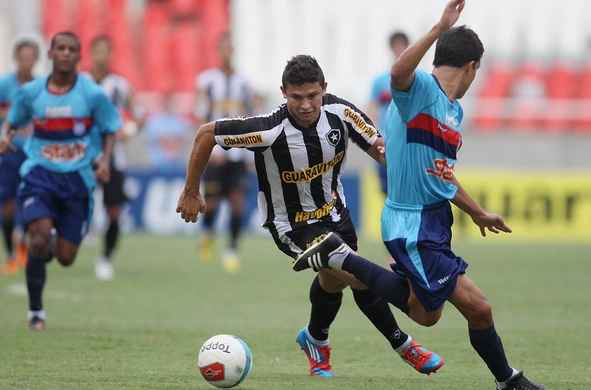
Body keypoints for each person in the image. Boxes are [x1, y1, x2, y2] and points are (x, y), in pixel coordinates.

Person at [292, 1, 547, 389]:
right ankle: (341, 256)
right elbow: (398, 73)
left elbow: (441, 175)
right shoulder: (422, 90)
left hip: (431, 221)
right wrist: (438, 28)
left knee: (452, 311)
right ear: (472, 66)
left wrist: (477, 212)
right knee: (448, 313)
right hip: (413, 223)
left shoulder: (450, 110)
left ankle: (507, 380)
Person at [177, 54, 443, 377]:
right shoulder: (268, 130)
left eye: (312, 96)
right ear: (283, 92)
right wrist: (192, 190)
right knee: (357, 274)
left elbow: (380, 149)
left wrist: (417, 174)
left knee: (334, 282)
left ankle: (315, 338)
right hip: (292, 226)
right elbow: (207, 133)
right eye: (297, 97)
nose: (305, 105)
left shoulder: (341, 113)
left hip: (336, 213)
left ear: (324, 89)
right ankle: (404, 345)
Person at [0, 31, 121, 331]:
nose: (66, 53)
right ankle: (35, 312)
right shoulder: (31, 92)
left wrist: (104, 160)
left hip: (77, 180)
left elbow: (110, 128)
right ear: (50, 53)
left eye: (71, 49)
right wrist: (5, 137)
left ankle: (52, 241)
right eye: (60, 48)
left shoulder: (93, 94)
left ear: (79, 57)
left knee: (65, 257)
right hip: (39, 175)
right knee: (37, 240)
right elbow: (12, 120)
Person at [193, 32, 257, 273]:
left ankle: (231, 249)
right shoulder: (206, 81)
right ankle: (208, 233)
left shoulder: (245, 83)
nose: (227, 53)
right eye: (223, 49)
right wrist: (207, 149)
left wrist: (251, 152)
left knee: (238, 203)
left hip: (238, 154)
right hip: (215, 152)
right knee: (212, 202)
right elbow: (200, 117)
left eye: (230, 49)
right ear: (218, 51)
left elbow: (252, 119)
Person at [81, 35, 144, 281]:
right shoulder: (79, 83)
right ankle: (81, 231)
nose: (101, 56)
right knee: (76, 201)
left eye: (106, 52)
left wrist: (128, 129)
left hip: (113, 156)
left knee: (114, 212)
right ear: (90, 54)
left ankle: (105, 258)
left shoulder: (120, 85)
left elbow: (139, 116)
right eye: (97, 51)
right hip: (82, 155)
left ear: (111, 55)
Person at [0, 39, 39, 275]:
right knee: (7, 208)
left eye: (31, 57)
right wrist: (10, 115)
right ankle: (9, 252)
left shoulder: (40, 86)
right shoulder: (4, 84)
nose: (26, 61)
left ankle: (24, 247)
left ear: (37, 59)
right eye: (22, 56)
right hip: (7, 153)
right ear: (16, 57)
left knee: (30, 206)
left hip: (33, 154)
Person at [368, 31, 410, 194]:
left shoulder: (417, 79)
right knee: (387, 190)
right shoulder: (380, 81)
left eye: (402, 46)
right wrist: (376, 134)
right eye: (396, 46)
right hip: (386, 142)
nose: (399, 50)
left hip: (408, 143)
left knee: (407, 189)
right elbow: (371, 108)